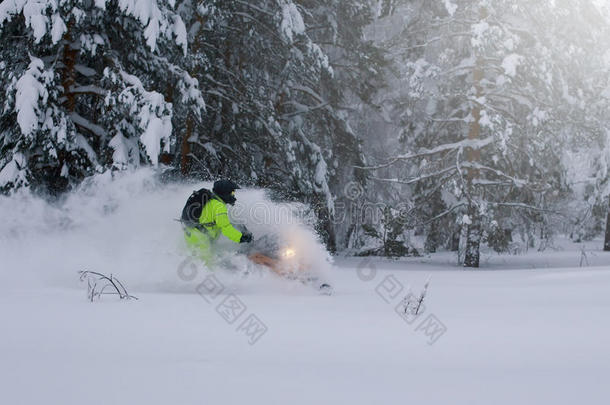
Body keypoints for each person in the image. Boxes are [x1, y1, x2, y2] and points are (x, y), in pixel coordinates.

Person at [184, 180, 252, 264]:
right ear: (225, 193)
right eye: (232, 193)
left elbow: (220, 222)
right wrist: (241, 238)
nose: (234, 197)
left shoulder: (212, 202)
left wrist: (238, 226)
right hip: (200, 241)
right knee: (207, 267)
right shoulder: (219, 207)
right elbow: (225, 228)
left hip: (192, 235)